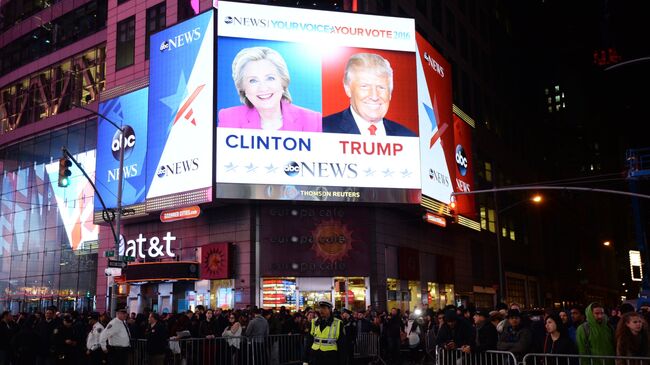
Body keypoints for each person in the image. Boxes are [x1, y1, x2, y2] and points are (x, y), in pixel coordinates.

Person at [218, 46, 322, 132]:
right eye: (253, 80)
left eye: (270, 78)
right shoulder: (229, 118)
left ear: (283, 82)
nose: (263, 88)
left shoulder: (313, 120)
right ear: (243, 88)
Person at [323, 53, 416, 137]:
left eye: (381, 87)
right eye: (365, 86)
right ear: (348, 88)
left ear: (390, 93)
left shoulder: (408, 136)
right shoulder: (322, 130)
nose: (374, 96)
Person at [303, 300, 346, 365]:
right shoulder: (314, 322)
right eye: (320, 308)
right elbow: (309, 341)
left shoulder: (338, 323)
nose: (321, 310)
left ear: (330, 310)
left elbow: (342, 346)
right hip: (315, 357)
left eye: (324, 308)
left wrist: (342, 362)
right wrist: (305, 360)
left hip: (330, 357)